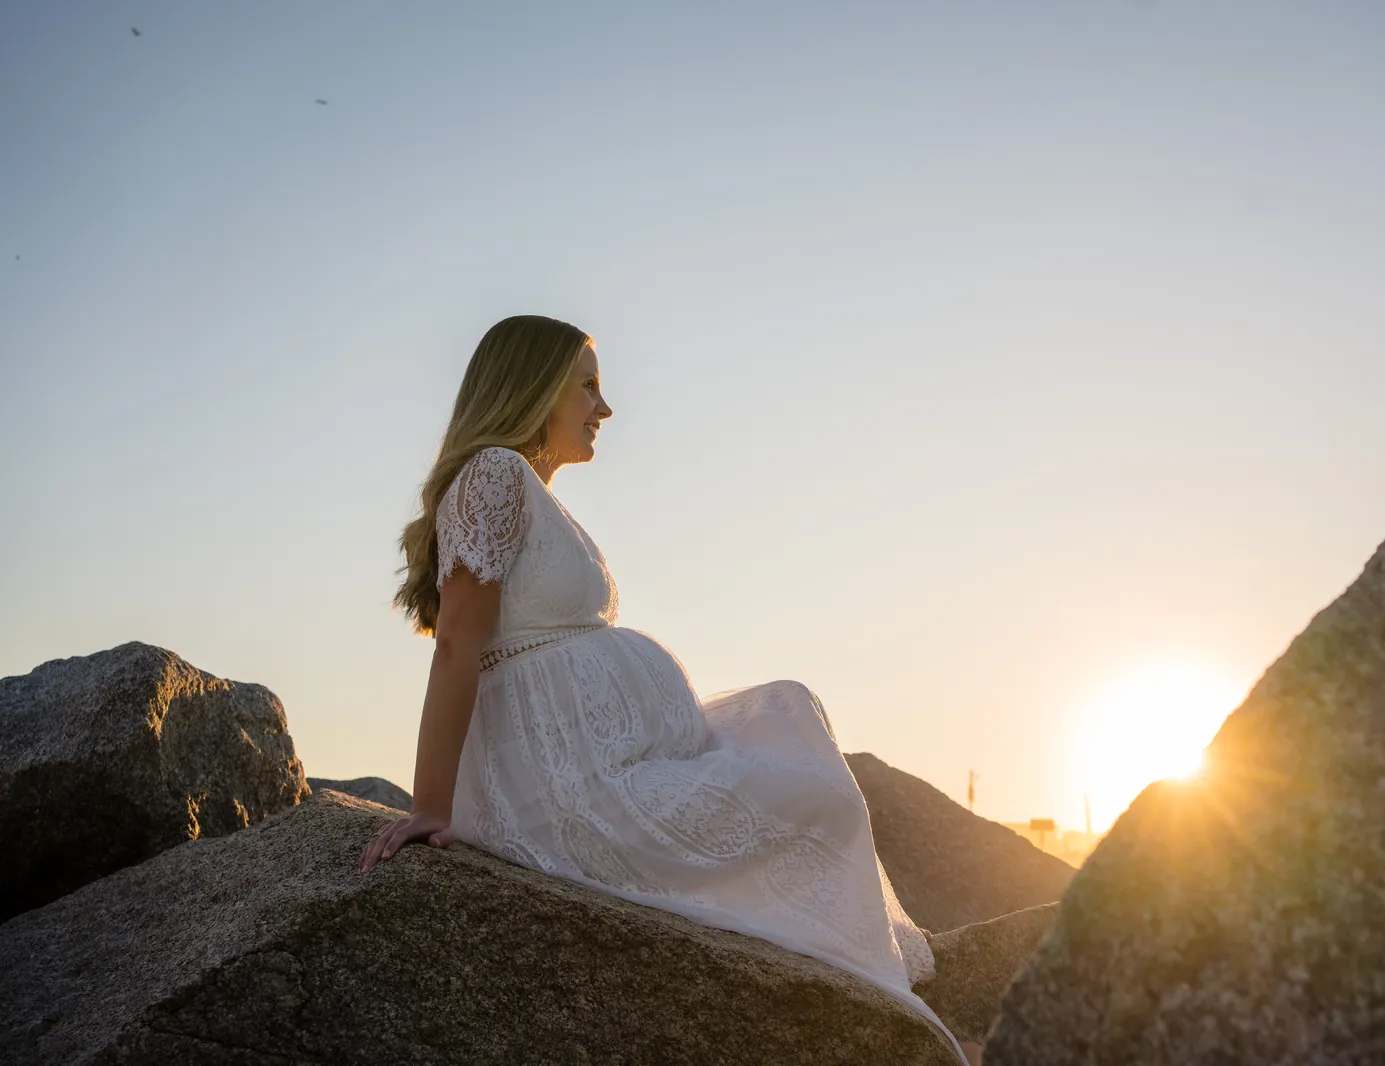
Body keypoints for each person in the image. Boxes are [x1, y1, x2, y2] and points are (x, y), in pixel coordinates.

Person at [358, 315, 976, 1063]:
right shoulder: (493, 473)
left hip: (598, 766)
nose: (605, 409)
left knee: (789, 716)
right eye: (588, 386)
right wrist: (430, 805)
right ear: (532, 388)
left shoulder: (526, 490)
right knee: (820, 797)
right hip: (566, 788)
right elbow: (457, 643)